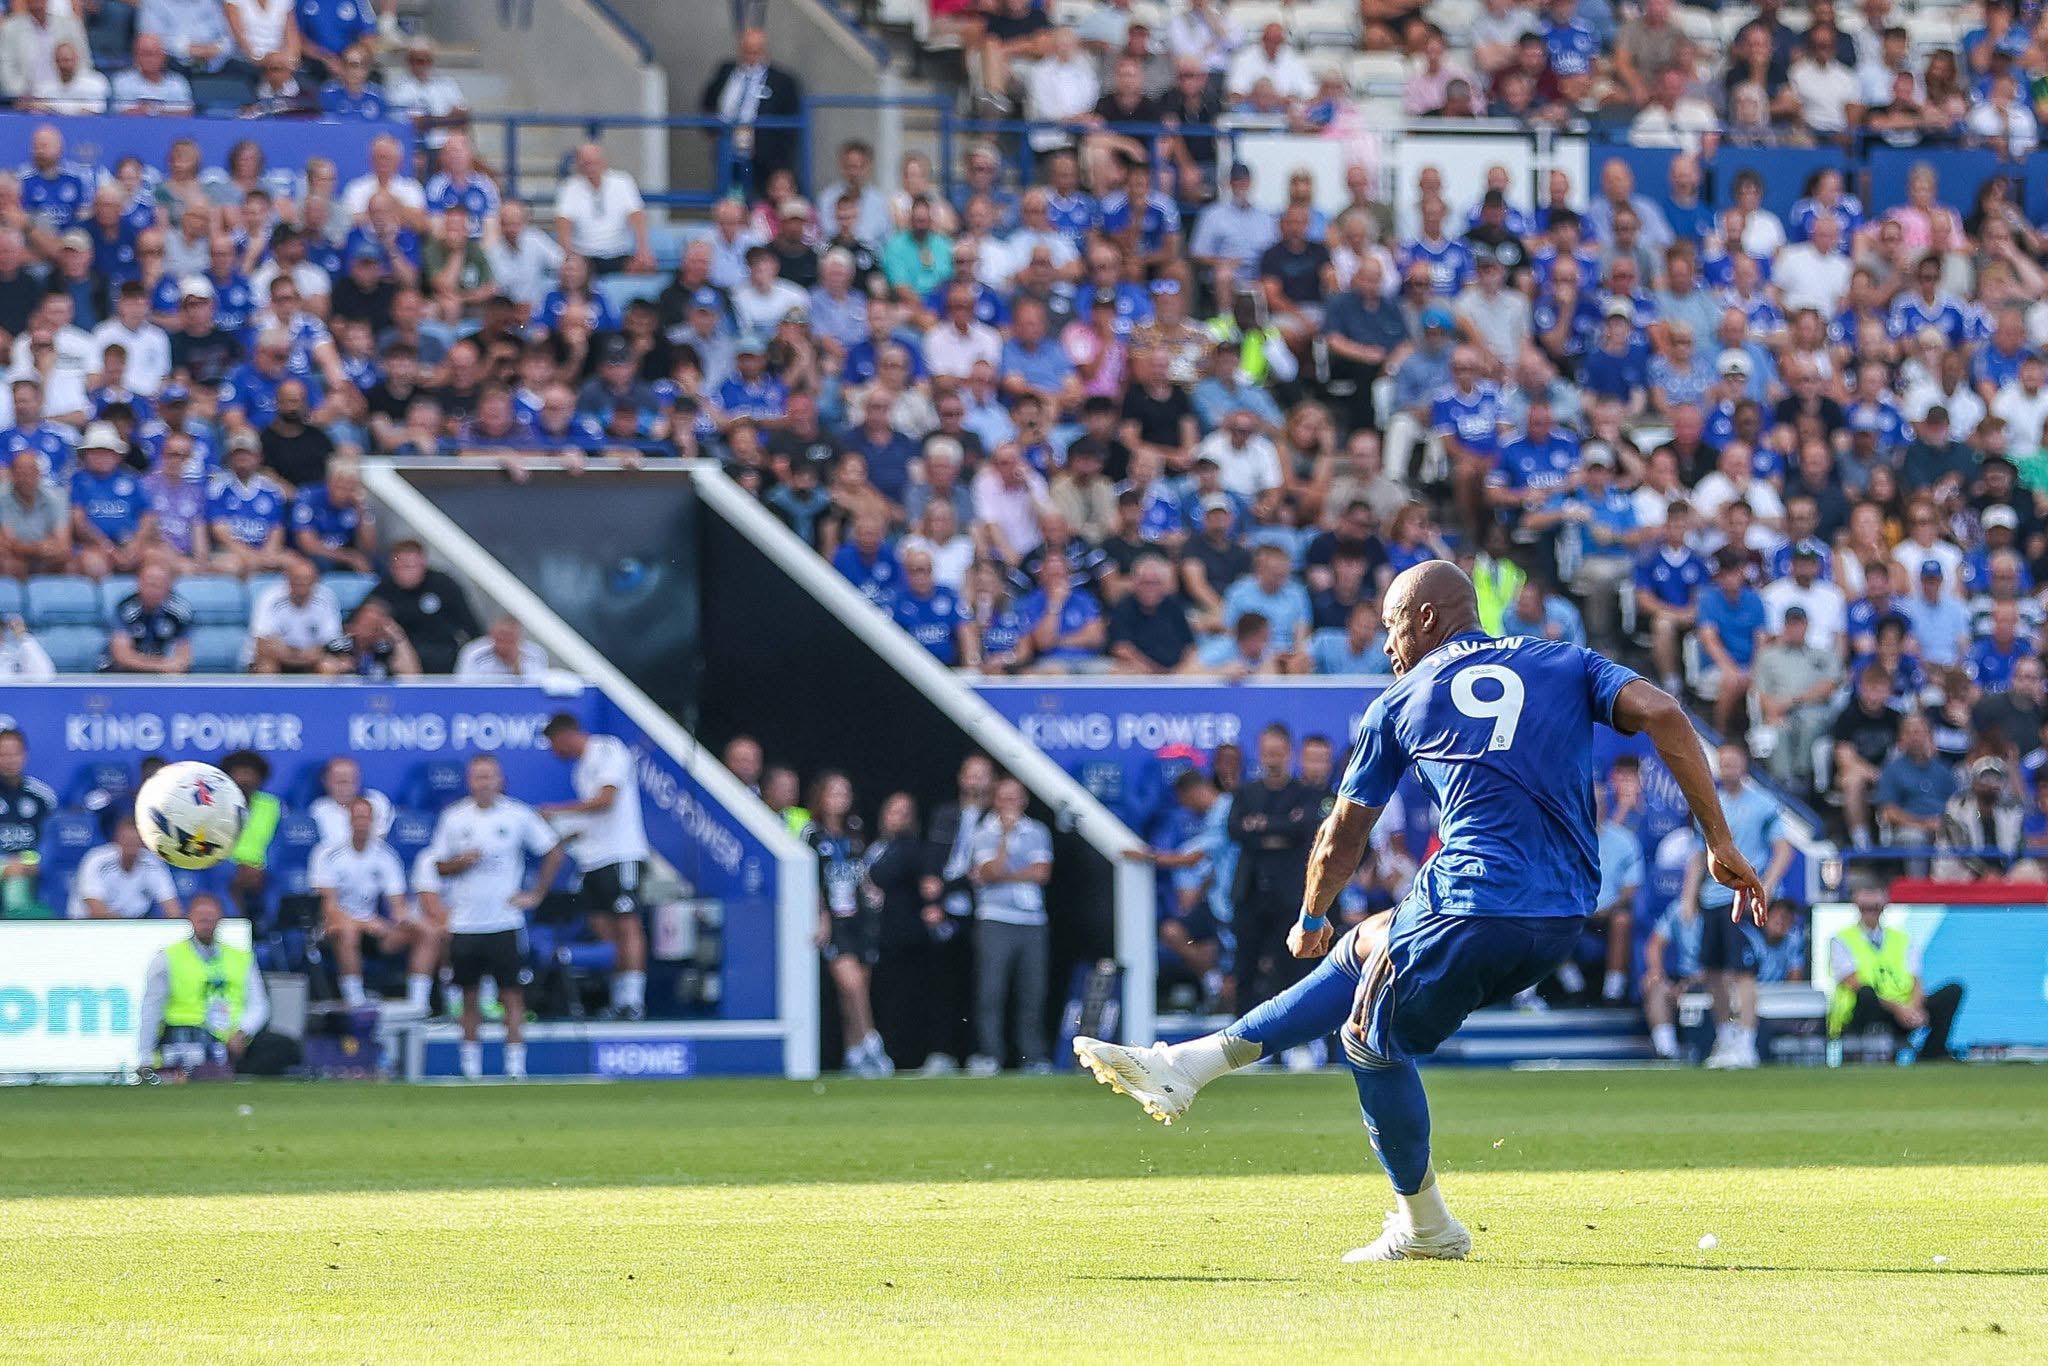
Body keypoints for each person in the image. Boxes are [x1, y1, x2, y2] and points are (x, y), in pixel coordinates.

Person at [1073, 560, 1765, 1261]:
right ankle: (1190, 1065)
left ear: (1427, 618)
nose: (1386, 645)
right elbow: (1665, 713)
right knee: (1369, 940)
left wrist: (1311, 915)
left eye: (1392, 625)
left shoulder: (1401, 699)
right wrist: (1719, 840)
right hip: (1560, 916)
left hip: (1471, 904)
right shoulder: (1564, 660)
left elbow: (1343, 833)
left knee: (1369, 1043)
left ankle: (1427, 1227)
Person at [426, 754, 566, 1081]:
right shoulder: (454, 817)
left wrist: (536, 893)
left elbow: (553, 850)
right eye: (478, 777)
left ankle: (515, 1066)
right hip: (466, 922)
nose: (484, 783)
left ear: (500, 780)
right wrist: (461, 862)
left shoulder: (517, 814)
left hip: (505, 921)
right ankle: (470, 1067)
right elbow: (440, 866)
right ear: (469, 781)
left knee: (512, 995)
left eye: (489, 776)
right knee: (469, 996)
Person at [1682, 743, 1794, 1069]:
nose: (1727, 768)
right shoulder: (1708, 805)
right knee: (1713, 971)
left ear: (1744, 766)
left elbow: (1783, 849)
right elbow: (1698, 855)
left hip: (1743, 898)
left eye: (1733, 762)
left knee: (1743, 971)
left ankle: (1746, 1041)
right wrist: (1688, 896)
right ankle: (1725, 1037)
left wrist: (1766, 886)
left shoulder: (1762, 804)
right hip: (1713, 898)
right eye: (1723, 762)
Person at [540, 714, 653, 1022]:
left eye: (553, 744)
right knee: (603, 928)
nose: (554, 752)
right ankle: (619, 999)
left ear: (565, 735)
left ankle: (633, 1001)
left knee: (627, 923)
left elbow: (606, 800)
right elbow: (589, 818)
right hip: (592, 860)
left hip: (621, 854)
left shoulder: (607, 750)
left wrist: (557, 811)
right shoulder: (580, 770)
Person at [312, 795, 437, 1015]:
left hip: (373, 929)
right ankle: (356, 1002)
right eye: (357, 817)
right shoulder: (327, 853)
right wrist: (364, 923)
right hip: (334, 928)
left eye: (366, 817)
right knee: (347, 931)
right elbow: (328, 908)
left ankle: (418, 1005)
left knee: (427, 931)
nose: (361, 822)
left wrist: (405, 920)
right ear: (349, 820)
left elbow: (397, 905)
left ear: (373, 821)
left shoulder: (386, 855)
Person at [803, 771, 891, 1077]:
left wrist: (871, 890)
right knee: (850, 984)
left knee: (857, 989)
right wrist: (820, 916)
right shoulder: (812, 835)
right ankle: (872, 1041)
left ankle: (853, 1053)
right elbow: (810, 880)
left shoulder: (854, 831)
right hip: (835, 921)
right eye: (834, 793)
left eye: (844, 793)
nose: (840, 799)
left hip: (860, 919)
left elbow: (859, 870)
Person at [965, 776, 1053, 1075]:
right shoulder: (984, 832)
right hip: (995, 918)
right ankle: (991, 1054)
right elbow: (990, 870)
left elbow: (1041, 873)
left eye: (1015, 797)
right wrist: (1004, 836)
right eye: (1004, 797)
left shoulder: (1037, 831)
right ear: (995, 800)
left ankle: (1032, 1056)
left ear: (1024, 800)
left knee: (1032, 990)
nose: (1010, 803)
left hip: (1032, 920)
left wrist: (1003, 877)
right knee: (992, 990)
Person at [136, 894, 276, 1080]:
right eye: (201, 917)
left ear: (220, 919)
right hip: (185, 1034)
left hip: (231, 1038)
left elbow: (259, 1004)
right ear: (190, 918)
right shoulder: (167, 958)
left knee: (281, 1048)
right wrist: (144, 1057)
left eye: (210, 917)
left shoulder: (242, 958)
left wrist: (242, 1032)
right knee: (198, 1058)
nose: (206, 922)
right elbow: (151, 1008)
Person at [1827, 882, 1965, 1064]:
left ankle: (1931, 1053)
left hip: (1902, 1008)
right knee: (1866, 993)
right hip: (1870, 1011)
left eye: (1874, 908)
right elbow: (1852, 982)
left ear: (1884, 907)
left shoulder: (1901, 939)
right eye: (1866, 908)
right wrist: (1898, 1008)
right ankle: (1856, 1054)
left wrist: (1913, 1008)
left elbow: (1916, 980)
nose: (1871, 913)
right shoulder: (1842, 939)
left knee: (1953, 990)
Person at [372, 538, 480, 674]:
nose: (405, 573)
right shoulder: (384, 590)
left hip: (443, 654)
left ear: (423, 564)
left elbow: (470, 625)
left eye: (410, 566)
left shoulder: (443, 585)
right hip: (400, 657)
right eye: (399, 567)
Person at [68, 817, 181, 919]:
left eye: (136, 841)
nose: (131, 845)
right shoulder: (97, 861)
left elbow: (172, 909)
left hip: (132, 926)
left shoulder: (154, 864)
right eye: (127, 840)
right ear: (117, 839)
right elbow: (97, 911)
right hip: (87, 925)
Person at [455, 616, 548, 679]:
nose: (504, 641)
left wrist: (515, 664)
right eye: (501, 636)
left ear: (519, 638)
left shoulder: (535, 654)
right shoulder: (474, 653)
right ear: (492, 635)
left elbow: (535, 688)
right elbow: (464, 687)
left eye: (510, 637)